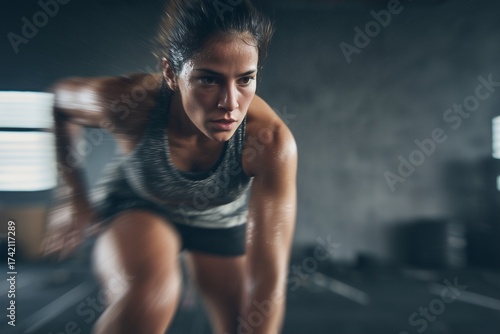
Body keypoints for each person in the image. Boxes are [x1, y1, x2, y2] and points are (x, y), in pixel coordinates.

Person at [42, 0, 297, 333]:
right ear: (171, 74)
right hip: (140, 205)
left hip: (218, 220)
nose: (230, 103)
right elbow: (61, 102)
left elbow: (269, 281)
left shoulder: (269, 141)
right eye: (209, 80)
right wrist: (71, 196)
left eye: (245, 80)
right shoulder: (130, 103)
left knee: (247, 322)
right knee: (151, 298)